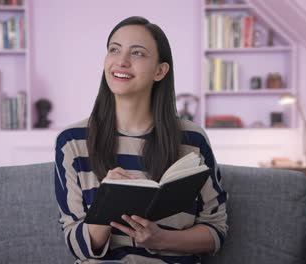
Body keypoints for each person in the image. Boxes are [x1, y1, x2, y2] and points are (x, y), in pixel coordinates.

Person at [54, 16, 227, 264]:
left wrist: (161, 240)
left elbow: (216, 231)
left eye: (137, 53)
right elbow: (76, 244)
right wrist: (107, 204)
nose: (121, 62)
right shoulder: (72, 141)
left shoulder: (192, 140)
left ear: (160, 71)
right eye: (114, 49)